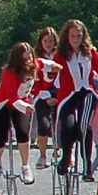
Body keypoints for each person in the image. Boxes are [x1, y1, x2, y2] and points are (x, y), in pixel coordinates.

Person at [53, 18, 98, 178]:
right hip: (68, 95)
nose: (76, 39)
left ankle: (87, 165)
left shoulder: (90, 52)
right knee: (68, 125)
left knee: (84, 125)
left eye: (79, 36)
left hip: (87, 92)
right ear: (67, 37)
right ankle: (66, 157)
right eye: (73, 36)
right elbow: (52, 74)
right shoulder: (61, 55)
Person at [0, 42, 39, 184]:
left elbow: (45, 63)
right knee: (1, 134)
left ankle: (25, 166)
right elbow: (12, 96)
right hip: (5, 103)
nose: (29, 58)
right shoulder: (9, 72)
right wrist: (24, 107)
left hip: (23, 102)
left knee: (23, 132)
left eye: (30, 54)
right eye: (25, 55)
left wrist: (54, 67)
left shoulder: (34, 66)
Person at [32, 27, 62, 166]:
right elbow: (36, 82)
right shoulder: (36, 59)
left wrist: (57, 96)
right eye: (45, 41)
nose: (48, 44)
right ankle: (43, 155)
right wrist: (46, 97)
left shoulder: (60, 56)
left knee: (62, 122)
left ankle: (61, 148)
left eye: (51, 41)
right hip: (42, 94)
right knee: (43, 125)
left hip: (59, 93)